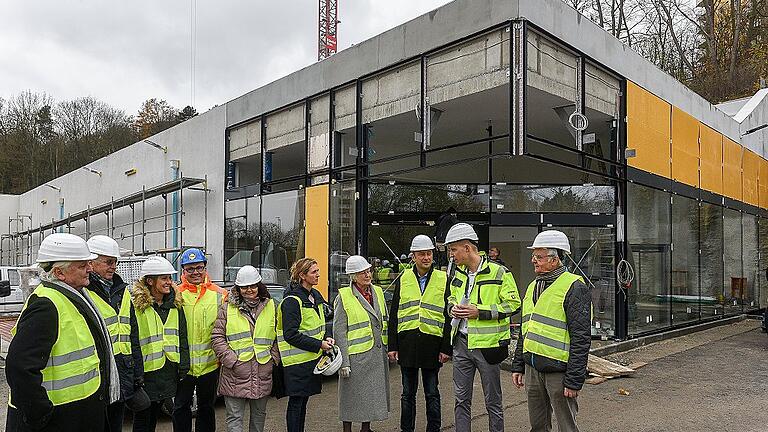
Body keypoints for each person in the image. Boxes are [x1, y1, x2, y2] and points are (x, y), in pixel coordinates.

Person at [6, 233, 118, 432]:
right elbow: (19, 367)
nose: (90, 269)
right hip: (59, 419)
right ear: (60, 273)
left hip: (78, 412)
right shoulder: (46, 305)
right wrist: (40, 415)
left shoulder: (74, 296)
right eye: (83, 265)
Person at [511, 230, 592, 432]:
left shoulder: (574, 287)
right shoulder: (532, 287)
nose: (533, 261)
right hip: (533, 368)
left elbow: (581, 338)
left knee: (566, 426)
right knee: (538, 426)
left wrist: (574, 379)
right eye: (534, 256)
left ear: (555, 260)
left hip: (559, 372)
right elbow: (526, 328)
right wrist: (518, 364)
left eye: (539, 257)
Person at [445, 223, 520, 432]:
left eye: (453, 249)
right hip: (461, 343)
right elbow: (451, 297)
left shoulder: (499, 272)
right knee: (461, 400)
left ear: (467, 248)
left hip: (488, 347)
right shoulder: (458, 273)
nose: (451, 255)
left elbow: (514, 304)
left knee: (493, 402)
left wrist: (480, 312)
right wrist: (452, 308)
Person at [388, 235, 451, 432]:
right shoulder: (404, 278)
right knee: (407, 394)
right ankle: (407, 429)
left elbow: (449, 317)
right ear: (413, 256)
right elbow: (394, 314)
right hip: (407, 345)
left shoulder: (443, 279)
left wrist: (446, 348)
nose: (426, 257)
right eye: (422, 254)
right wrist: (393, 346)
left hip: (432, 345)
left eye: (429, 253)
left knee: (432, 393)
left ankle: (434, 429)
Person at [85, 235, 143, 432]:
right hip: (98, 373)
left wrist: (137, 375)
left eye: (115, 262)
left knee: (116, 424)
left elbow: (132, 336)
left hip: (122, 370)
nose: (113, 267)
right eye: (109, 262)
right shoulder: (83, 291)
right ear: (91, 263)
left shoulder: (123, 291)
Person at [212, 266, 279, 432]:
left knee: (259, 417)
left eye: (253, 286)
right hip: (235, 373)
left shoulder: (271, 306)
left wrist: (273, 359)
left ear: (259, 286)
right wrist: (232, 361)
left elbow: (279, 336)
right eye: (244, 287)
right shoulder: (227, 308)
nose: (249, 290)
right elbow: (217, 337)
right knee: (234, 418)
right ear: (238, 289)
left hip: (262, 370)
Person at [130, 256, 190, 432]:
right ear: (150, 281)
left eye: (170, 278)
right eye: (164, 278)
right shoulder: (135, 306)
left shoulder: (175, 306)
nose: (169, 282)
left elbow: (183, 338)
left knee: (154, 415)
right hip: (145, 373)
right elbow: (132, 340)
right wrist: (135, 372)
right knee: (142, 419)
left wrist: (184, 366)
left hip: (167, 371)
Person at [173, 248, 228, 432]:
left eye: (199, 267)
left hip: (209, 365)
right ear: (183, 271)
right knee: (181, 407)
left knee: (206, 408)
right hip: (184, 365)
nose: (195, 272)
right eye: (190, 269)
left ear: (205, 268)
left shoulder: (221, 294)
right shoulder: (175, 294)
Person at [277, 257, 334, 432]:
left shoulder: (315, 295)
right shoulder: (292, 301)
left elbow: (324, 320)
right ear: (302, 276)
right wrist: (319, 345)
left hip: (310, 360)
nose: (318, 275)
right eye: (314, 272)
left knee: (302, 403)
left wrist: (328, 336)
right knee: (296, 404)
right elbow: (291, 335)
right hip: (295, 364)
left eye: (318, 270)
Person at [334, 255, 390, 432]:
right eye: (362, 272)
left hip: (376, 353)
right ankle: (347, 429)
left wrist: (388, 349)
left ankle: (366, 428)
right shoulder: (344, 297)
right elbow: (339, 331)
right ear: (353, 276)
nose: (367, 275)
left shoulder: (378, 292)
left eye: (368, 271)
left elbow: (384, 320)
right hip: (356, 357)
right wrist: (344, 362)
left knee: (372, 395)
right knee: (350, 397)